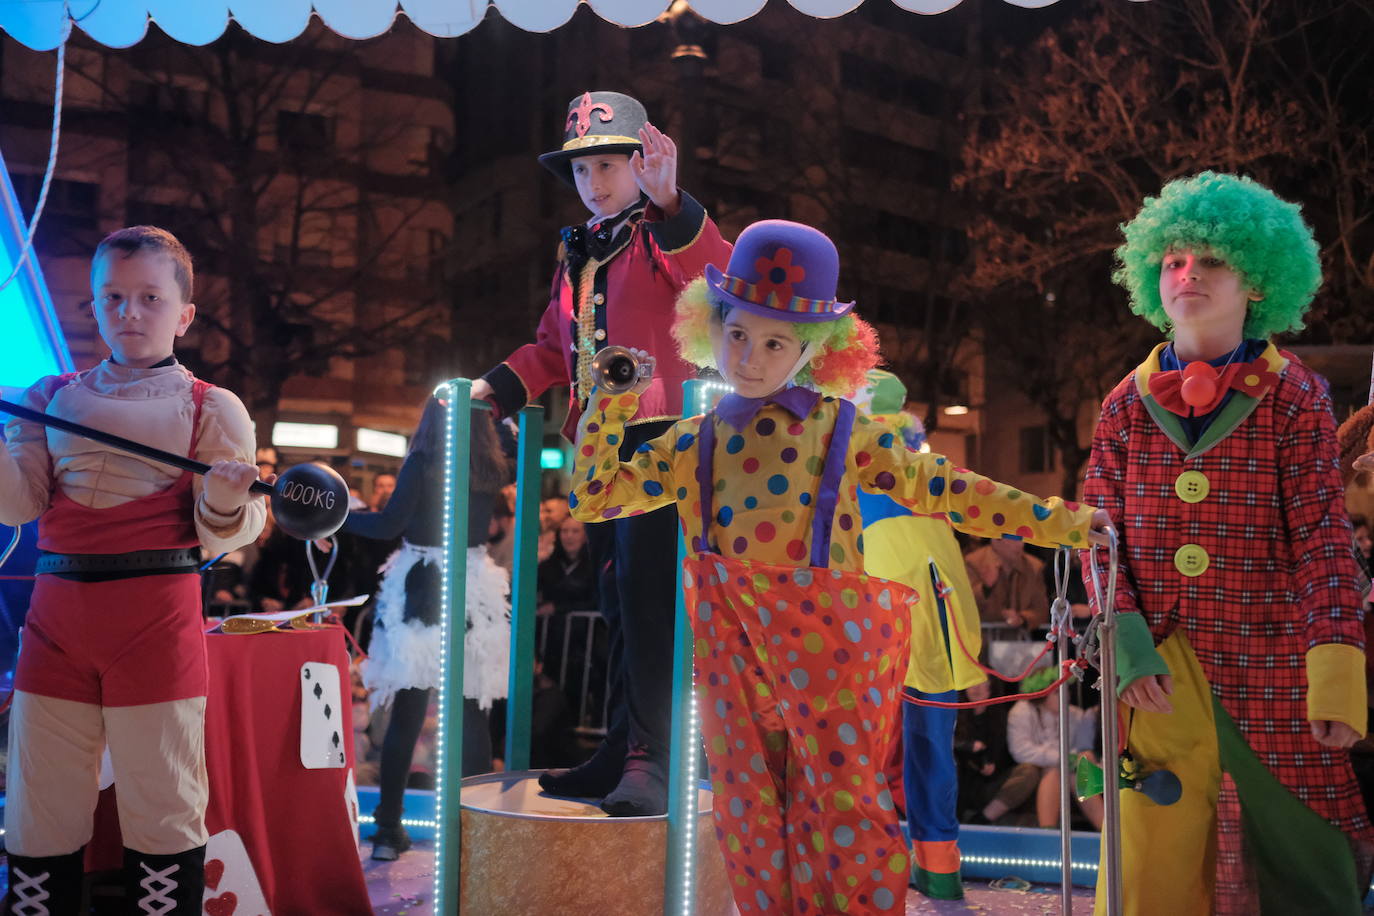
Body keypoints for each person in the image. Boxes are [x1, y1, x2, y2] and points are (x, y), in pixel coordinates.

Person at [569, 220, 1111, 914]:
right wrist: (610, 406)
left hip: (826, 655)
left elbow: (946, 487)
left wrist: (1060, 522)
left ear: (814, 352)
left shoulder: (844, 429)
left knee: (846, 812)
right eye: (737, 334)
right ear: (712, 328)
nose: (751, 356)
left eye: (775, 342)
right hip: (732, 658)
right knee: (747, 815)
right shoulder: (690, 440)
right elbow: (594, 495)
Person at [1084, 172, 1371, 914]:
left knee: (1305, 851)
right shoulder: (1123, 404)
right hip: (1162, 670)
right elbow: (1099, 538)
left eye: (1211, 260)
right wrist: (1126, 646)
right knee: (1154, 855)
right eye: (1175, 259)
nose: (1188, 274)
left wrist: (1336, 666)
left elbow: (1321, 537)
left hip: (1273, 665)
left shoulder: (1297, 394)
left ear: (1259, 281)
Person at [470, 90, 731, 816]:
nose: (594, 181)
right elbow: (555, 349)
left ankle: (656, 758)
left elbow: (724, 284)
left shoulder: (661, 233)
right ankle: (625, 748)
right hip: (601, 454)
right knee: (619, 605)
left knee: (651, 606)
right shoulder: (580, 252)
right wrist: (490, 389)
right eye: (584, 169)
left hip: (664, 440)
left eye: (610, 165)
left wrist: (674, 202)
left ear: (642, 163)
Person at [0, 226, 266, 913]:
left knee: (165, 805)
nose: (129, 313)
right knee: (38, 806)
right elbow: (18, 504)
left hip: (156, 626)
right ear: (93, 303)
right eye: (113, 297)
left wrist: (226, 498)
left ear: (183, 314)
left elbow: (219, 537)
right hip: (56, 622)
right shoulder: (45, 397)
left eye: (149, 298)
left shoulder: (216, 407)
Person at [339, 397, 512, 860]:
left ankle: (388, 832)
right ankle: (477, 832)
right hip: (473, 584)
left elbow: (390, 523)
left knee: (408, 714)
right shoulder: (492, 464)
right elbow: (510, 434)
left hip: (419, 585)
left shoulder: (423, 461)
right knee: (472, 714)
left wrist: (337, 516)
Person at [857, 369, 987, 900]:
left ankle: (868, 865)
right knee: (930, 750)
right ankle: (938, 868)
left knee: (858, 750)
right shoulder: (932, 471)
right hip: (934, 631)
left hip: (869, 627)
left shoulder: (846, 470)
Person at [980, 665, 1103, 830]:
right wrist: (1060, 758)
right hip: (1033, 772)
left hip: (1068, 772)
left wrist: (1075, 759)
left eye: (1066, 691)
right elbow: (1021, 750)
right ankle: (1049, 831)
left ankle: (1105, 829)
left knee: (1079, 773)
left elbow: (1080, 749)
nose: (1065, 696)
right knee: (1053, 770)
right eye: (1057, 692)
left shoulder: (1076, 714)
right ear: (1042, 692)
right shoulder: (1022, 711)